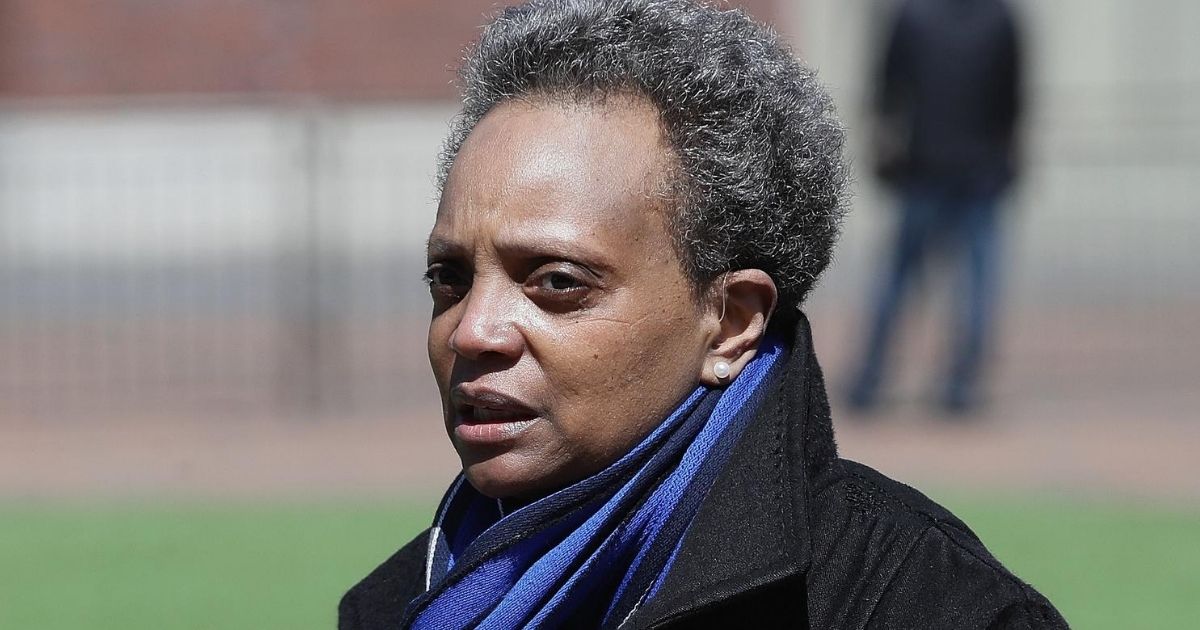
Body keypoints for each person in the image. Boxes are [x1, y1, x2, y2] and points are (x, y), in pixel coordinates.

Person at [340, 1, 1064, 628]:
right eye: (450, 277)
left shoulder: (927, 606)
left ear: (731, 322)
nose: (473, 331)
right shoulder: (401, 603)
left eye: (557, 283)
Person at [849, 0, 1024, 413]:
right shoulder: (999, 17)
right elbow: (1011, 97)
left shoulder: (912, 14)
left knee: (899, 280)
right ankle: (960, 386)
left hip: (924, 164)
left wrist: (884, 144)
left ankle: (871, 379)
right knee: (976, 285)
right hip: (978, 168)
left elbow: (887, 90)